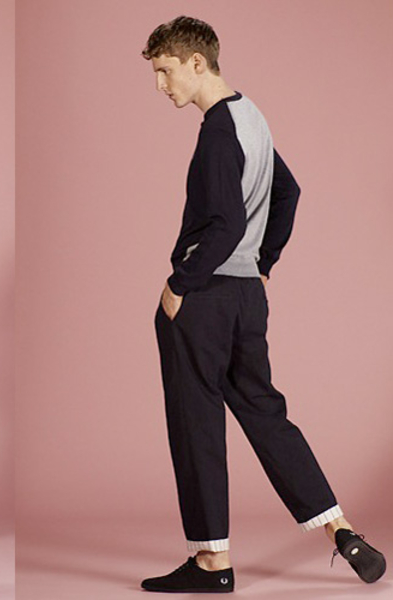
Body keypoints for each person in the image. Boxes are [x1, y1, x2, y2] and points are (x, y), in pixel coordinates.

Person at [139, 15, 385, 593]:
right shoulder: (252, 117)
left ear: (196, 62)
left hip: (205, 298)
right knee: (266, 413)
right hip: (247, 298)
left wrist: (180, 284)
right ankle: (341, 530)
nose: (161, 85)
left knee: (197, 424)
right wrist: (264, 262)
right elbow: (287, 192)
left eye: (166, 71)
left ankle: (213, 563)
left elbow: (225, 224)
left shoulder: (217, 131)